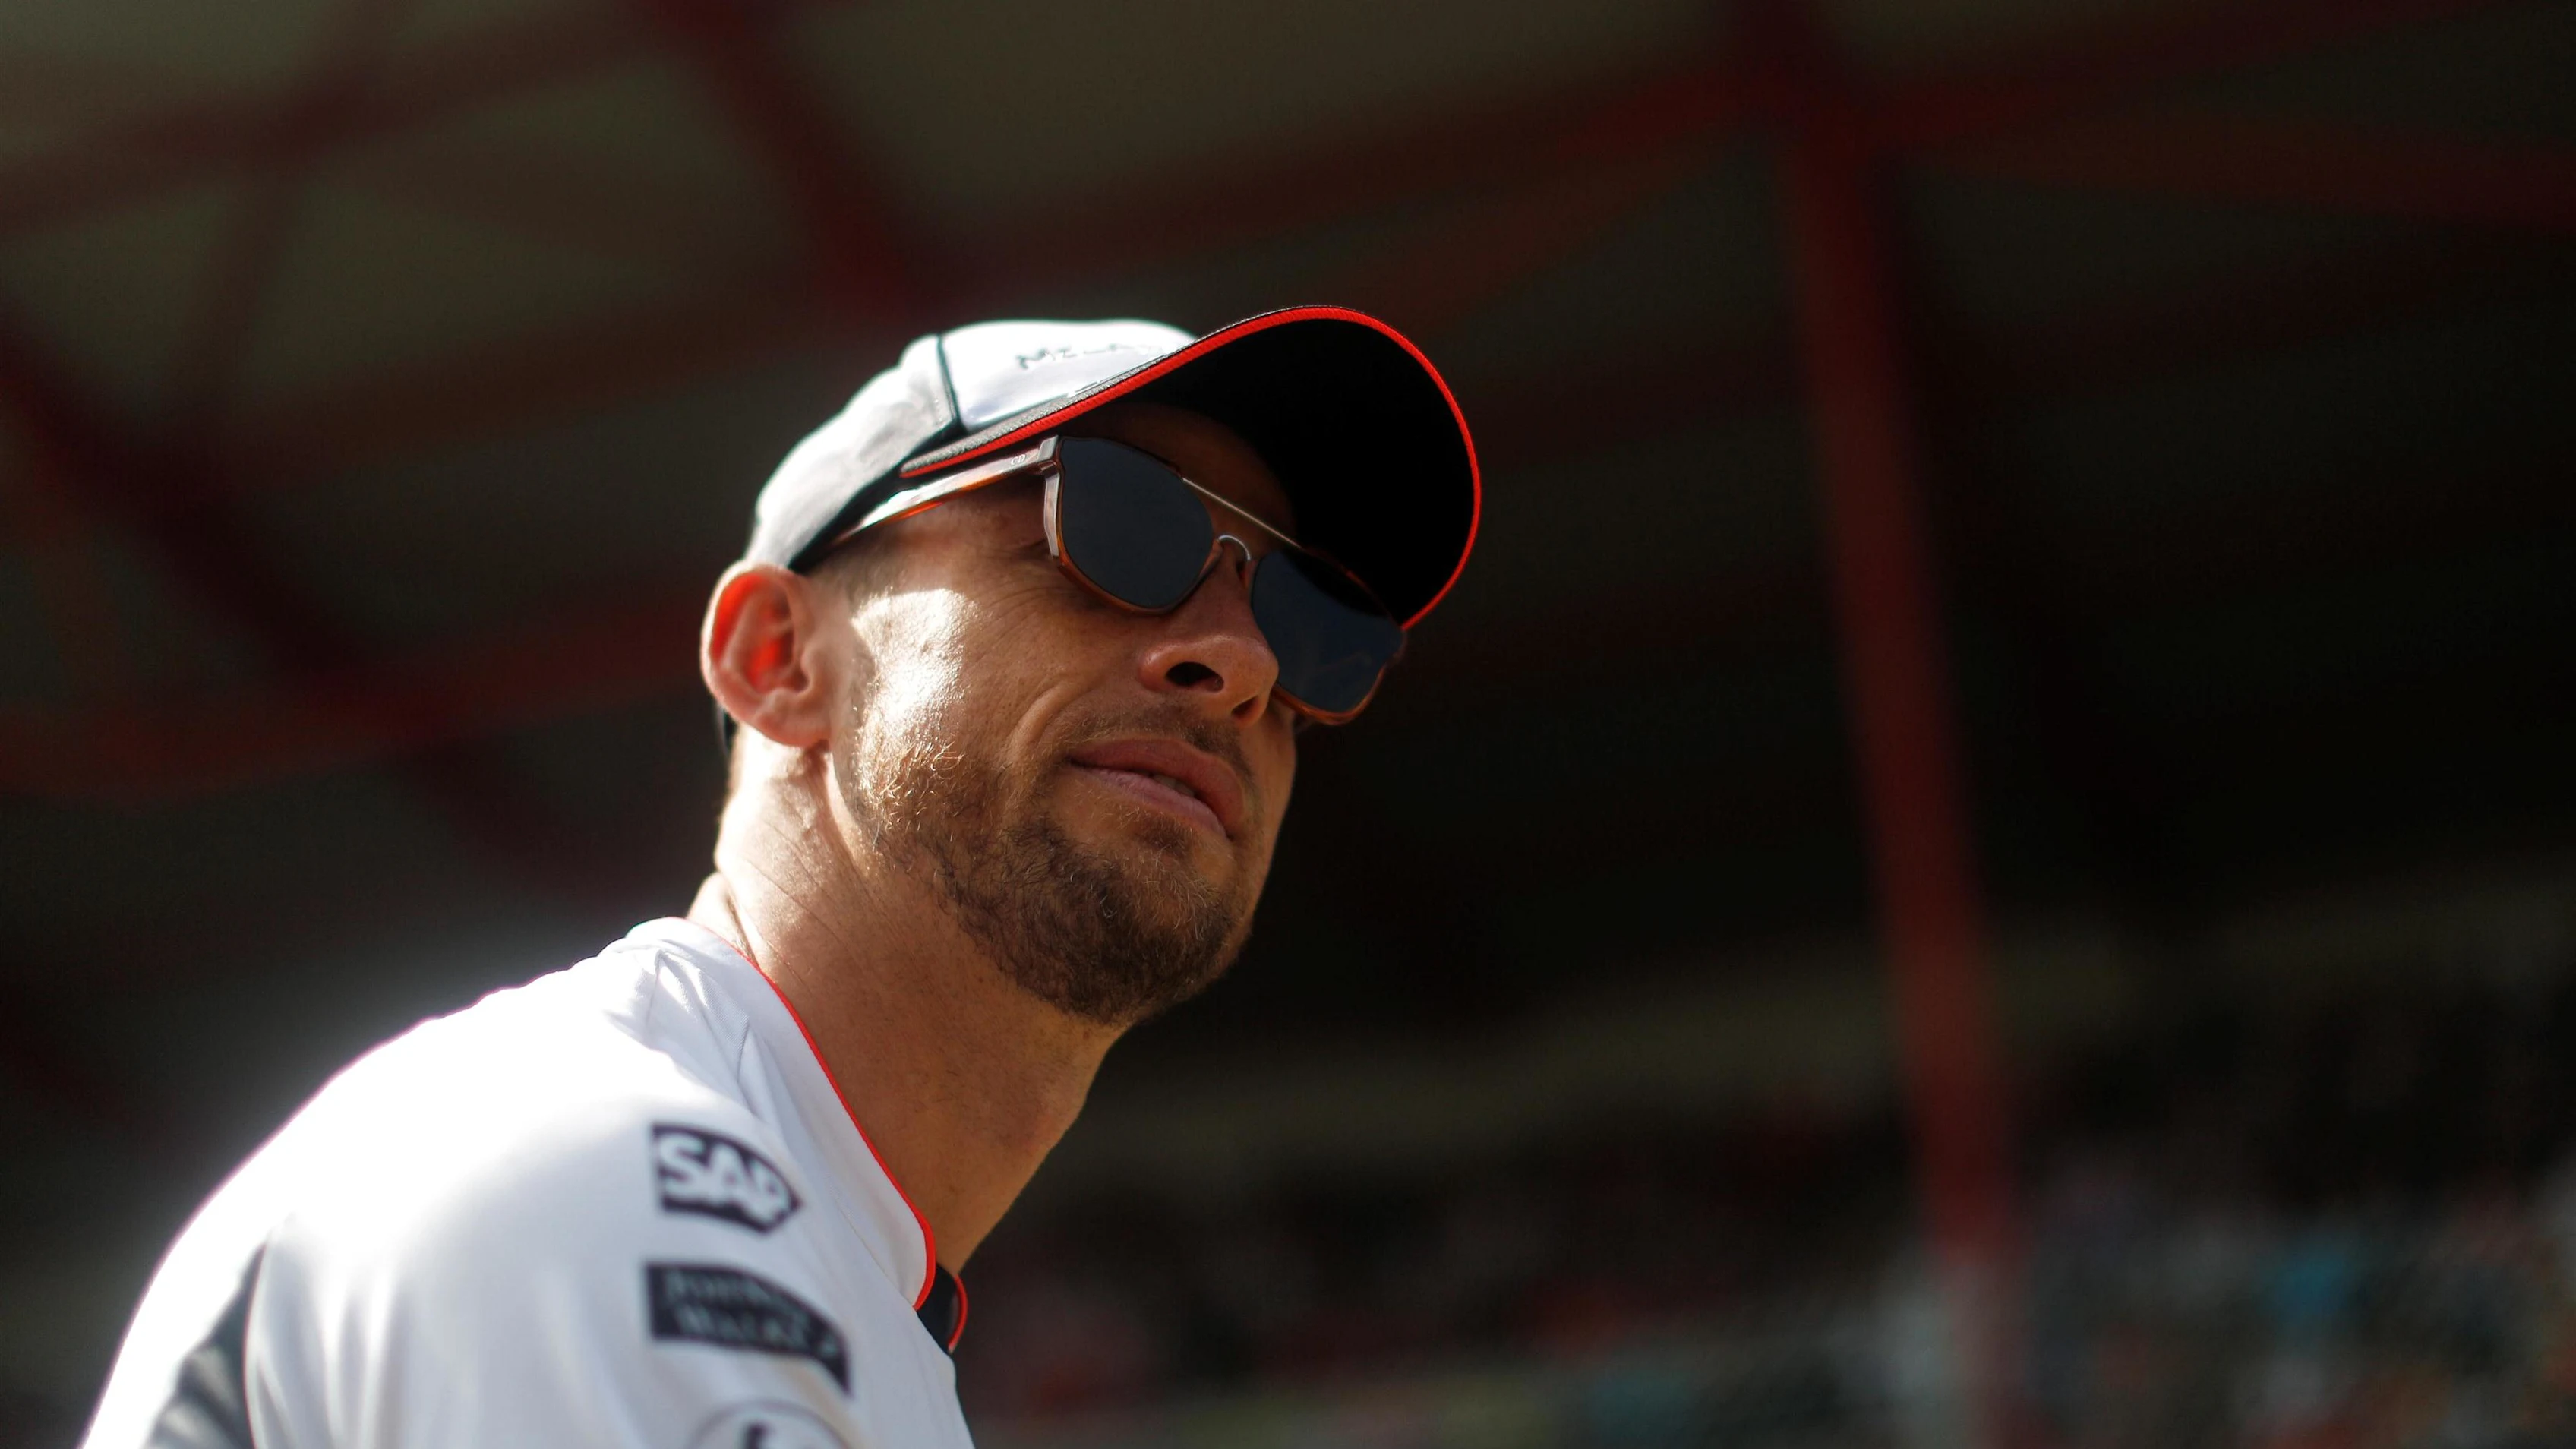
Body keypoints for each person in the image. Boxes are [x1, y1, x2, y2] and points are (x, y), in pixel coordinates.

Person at [80, 306, 1479, 1449]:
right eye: (1120, 526)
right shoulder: (618, 1173)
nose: (1240, 659)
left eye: (1315, 619)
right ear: (779, 660)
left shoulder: (813, 1261)